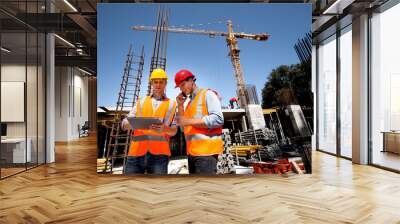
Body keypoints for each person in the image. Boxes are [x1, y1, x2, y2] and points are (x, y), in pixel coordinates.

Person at [121, 68, 177, 174]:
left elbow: (174, 131)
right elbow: (124, 124)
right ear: (151, 83)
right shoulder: (141, 102)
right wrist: (131, 124)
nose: (158, 85)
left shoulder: (172, 104)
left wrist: (166, 129)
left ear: (165, 84)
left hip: (159, 155)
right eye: (155, 82)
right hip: (136, 153)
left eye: (161, 82)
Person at [174, 69, 224, 174]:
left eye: (183, 84)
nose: (182, 88)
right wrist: (180, 105)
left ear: (192, 80)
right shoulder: (188, 104)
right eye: (180, 87)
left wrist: (189, 121)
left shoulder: (207, 94)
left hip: (206, 153)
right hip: (192, 153)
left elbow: (218, 119)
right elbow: (184, 127)